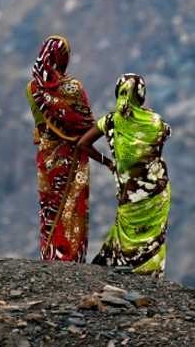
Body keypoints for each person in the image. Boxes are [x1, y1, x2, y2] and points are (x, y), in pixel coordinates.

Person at [78, 73, 172, 275]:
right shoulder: (154, 121)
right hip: (156, 189)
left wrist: (109, 163)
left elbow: (82, 144)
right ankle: (151, 275)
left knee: (128, 230)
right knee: (154, 234)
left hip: (128, 189)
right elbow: (164, 137)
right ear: (141, 95)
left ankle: (125, 267)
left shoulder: (110, 121)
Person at [26, 34, 96, 262]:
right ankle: (71, 257)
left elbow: (39, 126)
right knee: (71, 207)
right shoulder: (73, 89)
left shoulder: (32, 89)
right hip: (71, 158)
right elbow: (88, 126)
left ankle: (49, 255)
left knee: (50, 206)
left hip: (46, 156)